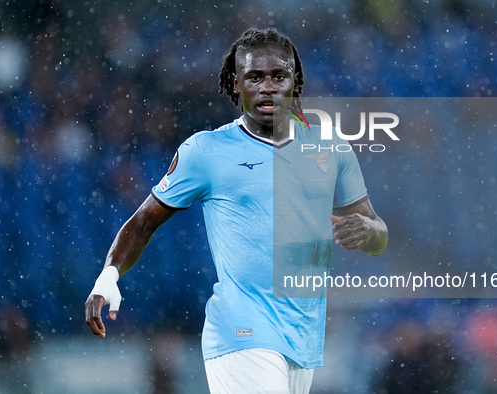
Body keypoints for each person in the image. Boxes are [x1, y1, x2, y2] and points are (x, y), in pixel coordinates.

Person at [85, 27, 388, 394]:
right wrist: (109, 275)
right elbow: (144, 221)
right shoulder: (206, 152)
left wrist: (368, 231)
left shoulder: (330, 146)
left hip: (303, 333)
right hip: (242, 330)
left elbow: (376, 233)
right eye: (255, 77)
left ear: (296, 81)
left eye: (279, 76)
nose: (268, 87)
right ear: (235, 84)